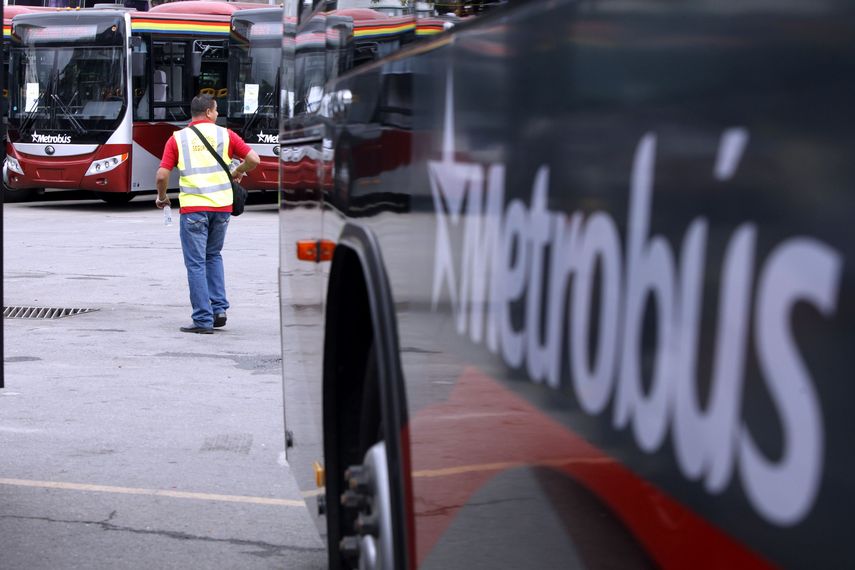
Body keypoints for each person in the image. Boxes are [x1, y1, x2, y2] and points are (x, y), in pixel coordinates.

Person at [154, 94, 260, 334]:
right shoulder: (226, 134)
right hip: (221, 208)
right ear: (210, 112)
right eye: (216, 110)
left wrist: (162, 197)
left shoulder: (177, 139)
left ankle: (202, 320)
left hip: (193, 210)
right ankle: (219, 310)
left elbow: (162, 175)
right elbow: (254, 159)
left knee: (196, 264)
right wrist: (239, 171)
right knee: (213, 256)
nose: (217, 113)